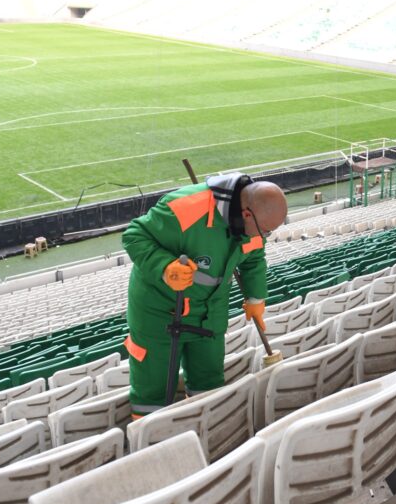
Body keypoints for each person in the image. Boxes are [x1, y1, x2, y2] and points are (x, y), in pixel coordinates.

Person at [122, 175, 287, 418]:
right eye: (266, 231)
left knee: (208, 384)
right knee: (153, 390)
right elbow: (134, 235)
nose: (264, 237)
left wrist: (256, 298)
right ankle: (149, 436)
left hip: (210, 314)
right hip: (160, 312)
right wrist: (164, 267)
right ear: (247, 214)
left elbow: (253, 260)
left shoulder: (253, 227)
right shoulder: (184, 208)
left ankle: (202, 426)